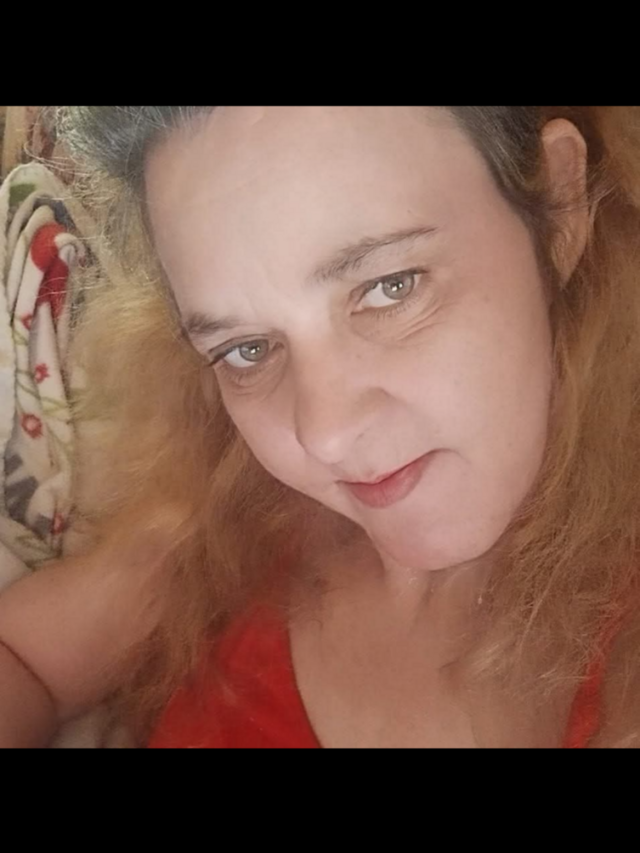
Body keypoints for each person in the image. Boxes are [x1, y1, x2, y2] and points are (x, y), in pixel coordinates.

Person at [2, 106, 640, 748]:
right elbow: (25, 660)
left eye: (391, 287)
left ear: (560, 209)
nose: (325, 436)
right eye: (247, 349)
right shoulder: (235, 519)